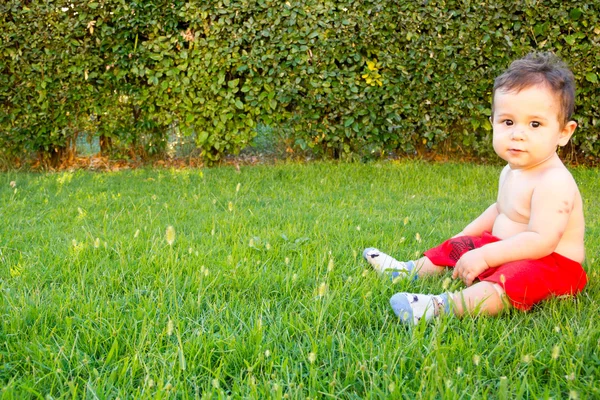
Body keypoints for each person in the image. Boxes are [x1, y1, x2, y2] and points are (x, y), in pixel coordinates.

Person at [364, 52, 588, 324]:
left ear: (564, 132)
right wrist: (463, 240)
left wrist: (484, 254)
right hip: (505, 248)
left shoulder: (553, 181)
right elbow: (499, 210)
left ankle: (441, 307)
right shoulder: (510, 170)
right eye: (508, 122)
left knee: (511, 281)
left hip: (550, 264)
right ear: (493, 123)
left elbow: (542, 240)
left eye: (535, 124)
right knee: (459, 245)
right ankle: (406, 271)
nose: (518, 133)